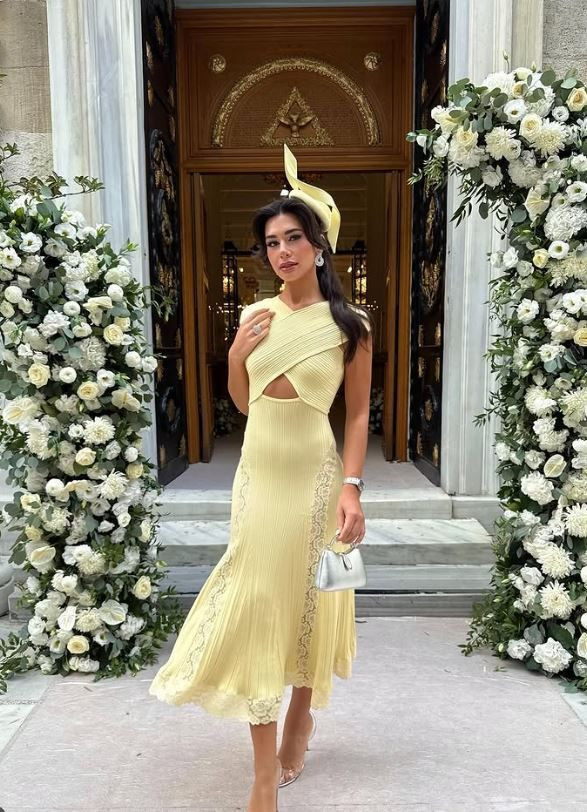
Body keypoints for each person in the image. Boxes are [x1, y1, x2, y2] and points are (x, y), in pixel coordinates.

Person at [149, 144, 373, 812]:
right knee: (256, 604)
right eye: (271, 243)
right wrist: (233, 357)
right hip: (259, 477)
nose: (282, 252)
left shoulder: (350, 324)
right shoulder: (254, 315)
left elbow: (358, 414)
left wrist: (352, 487)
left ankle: (299, 717)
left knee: (310, 597)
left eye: (293, 238)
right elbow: (245, 406)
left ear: (319, 245)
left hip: (315, 478)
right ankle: (261, 773)